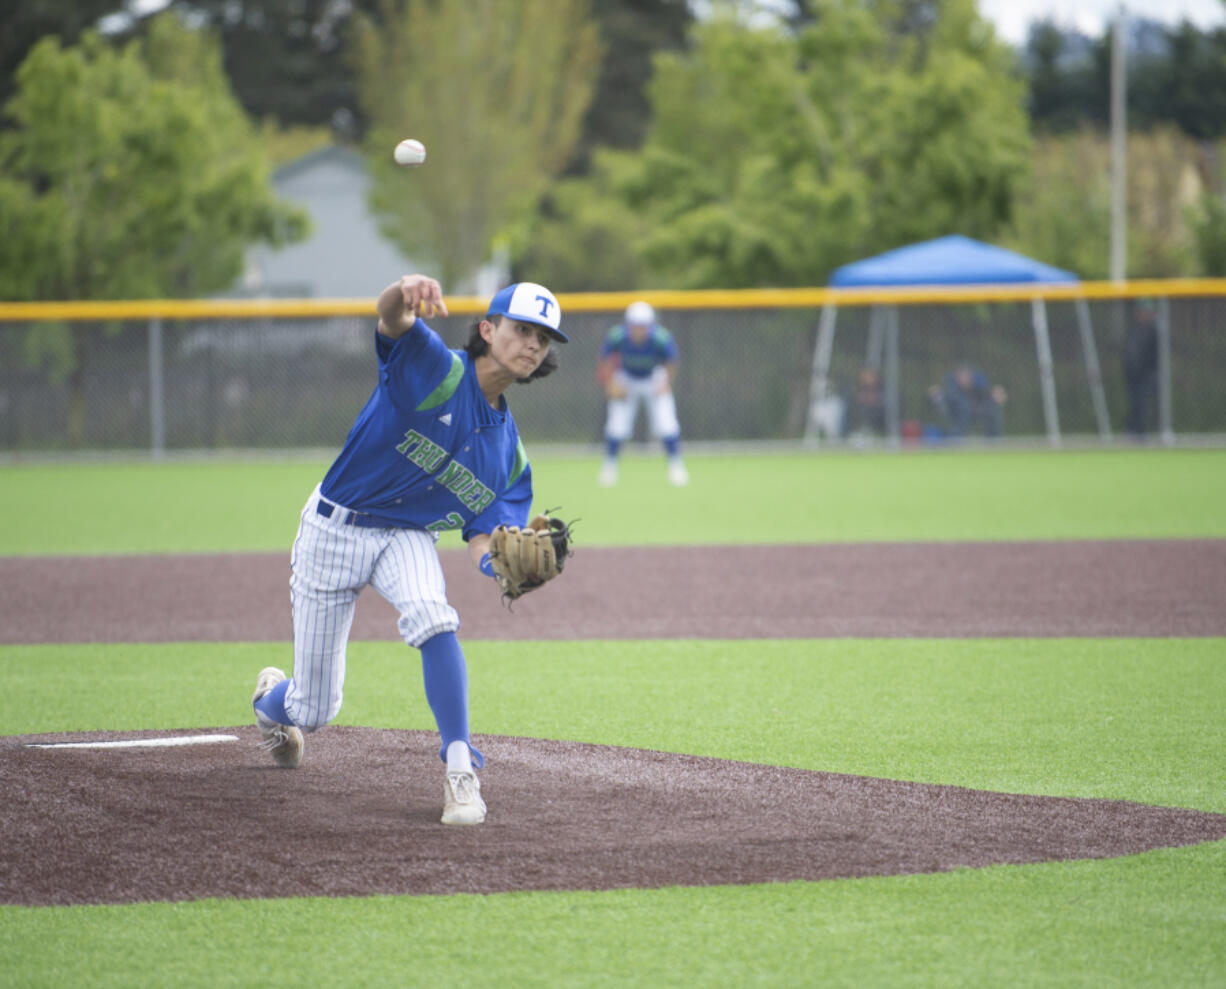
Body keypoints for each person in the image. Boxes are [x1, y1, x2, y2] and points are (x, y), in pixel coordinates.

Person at [251, 273, 567, 827]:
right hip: (334, 528)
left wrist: (501, 565)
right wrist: (404, 289)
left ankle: (460, 767)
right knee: (315, 709)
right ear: (487, 330)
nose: (533, 345)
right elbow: (391, 318)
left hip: (408, 536)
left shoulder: (510, 460)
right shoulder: (436, 369)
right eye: (522, 329)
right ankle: (270, 702)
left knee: (434, 618)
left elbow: (482, 537)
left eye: (544, 338)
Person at [596, 301, 688, 486]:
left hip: (653, 377)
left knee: (666, 422)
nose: (639, 330)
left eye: (643, 326)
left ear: (650, 325)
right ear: (628, 325)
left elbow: (671, 361)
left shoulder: (661, 337)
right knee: (617, 425)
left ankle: (676, 466)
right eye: (635, 326)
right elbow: (604, 359)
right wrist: (610, 384)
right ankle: (609, 467)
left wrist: (666, 383)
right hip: (626, 378)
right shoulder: (617, 336)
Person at [928, 363, 1007, 438]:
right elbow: (944, 401)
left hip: (978, 410)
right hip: (957, 415)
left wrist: (996, 396)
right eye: (961, 376)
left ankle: (994, 439)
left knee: (991, 413)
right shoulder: (952, 390)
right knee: (961, 415)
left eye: (966, 376)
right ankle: (955, 439)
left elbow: (988, 396)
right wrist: (937, 397)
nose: (964, 379)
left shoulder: (979, 387)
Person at [1123, 298, 1159, 438]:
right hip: (1132, 375)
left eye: (1146, 312)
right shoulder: (1135, 329)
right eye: (1142, 312)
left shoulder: (1154, 330)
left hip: (1147, 374)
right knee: (1134, 403)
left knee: (1143, 403)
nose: (1143, 314)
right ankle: (1133, 430)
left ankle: (1141, 432)